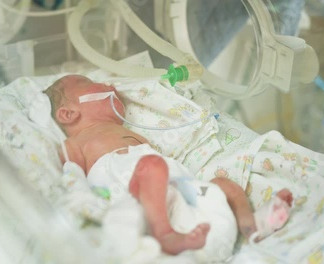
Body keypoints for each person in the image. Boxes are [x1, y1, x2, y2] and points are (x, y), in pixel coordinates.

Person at [44, 75, 293, 255]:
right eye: (91, 83)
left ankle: (251, 226)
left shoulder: (126, 132)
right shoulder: (78, 141)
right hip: (139, 205)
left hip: (195, 213)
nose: (109, 85)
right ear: (68, 113)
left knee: (223, 184)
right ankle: (166, 235)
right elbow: (72, 175)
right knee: (151, 166)